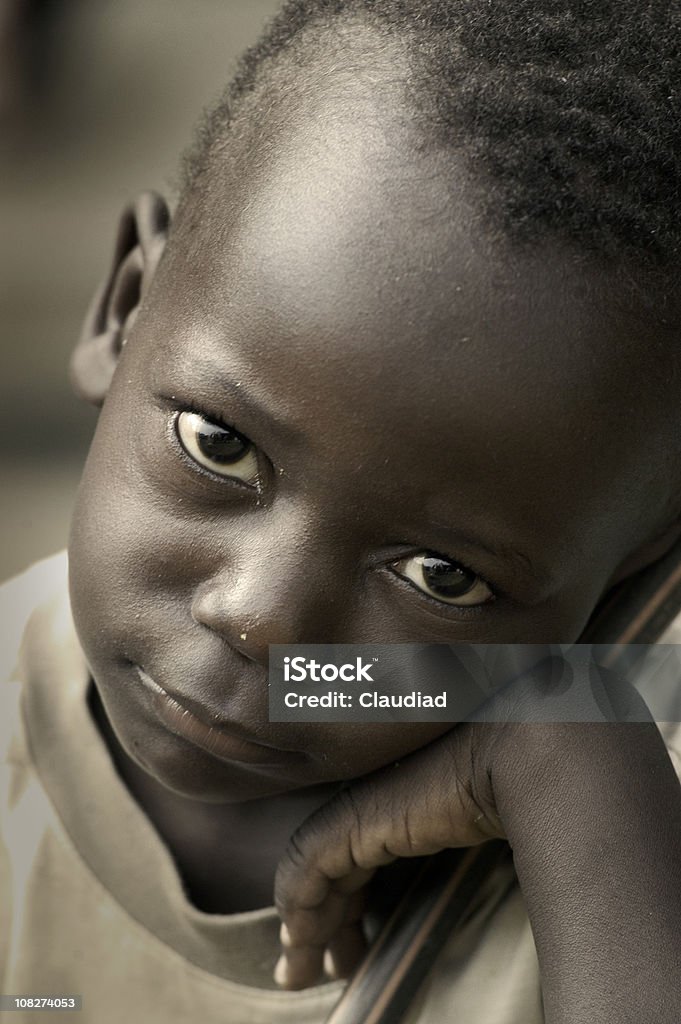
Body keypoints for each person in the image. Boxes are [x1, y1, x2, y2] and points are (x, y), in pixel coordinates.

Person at [2, 1, 681, 1021]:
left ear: (629, 575)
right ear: (123, 307)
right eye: (218, 446)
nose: (264, 618)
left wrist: (574, 772)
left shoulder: (624, 878)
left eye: (442, 577)